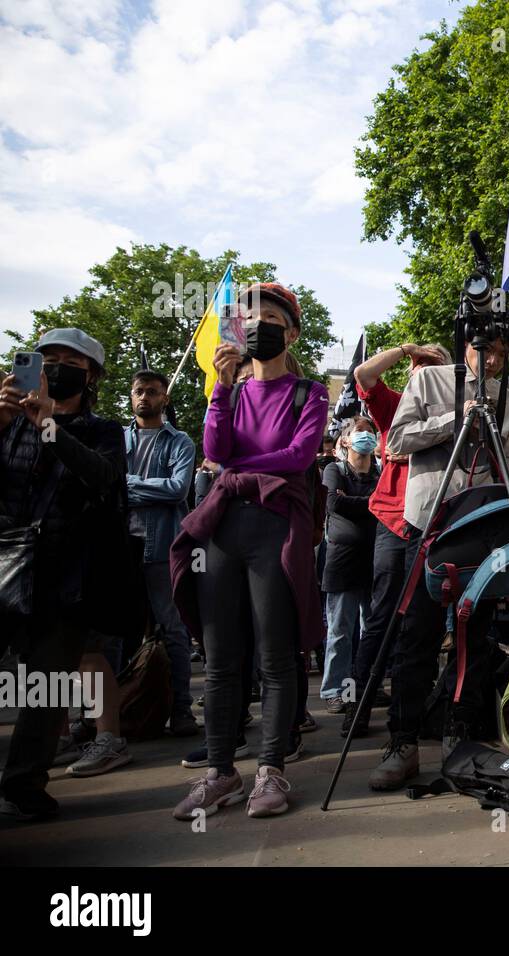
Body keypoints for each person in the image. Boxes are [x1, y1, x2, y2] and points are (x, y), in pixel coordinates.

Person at [170, 282, 329, 821]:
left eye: (270, 320)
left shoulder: (310, 393)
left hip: (277, 528)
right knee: (220, 660)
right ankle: (220, 773)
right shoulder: (231, 392)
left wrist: (241, 469)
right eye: (250, 319)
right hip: (223, 527)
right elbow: (215, 452)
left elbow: (300, 454)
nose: (258, 327)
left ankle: (270, 767)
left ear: (292, 332)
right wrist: (219, 386)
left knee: (277, 658)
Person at [369, 329, 509, 791]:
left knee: (473, 636)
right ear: (466, 346)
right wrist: (452, 423)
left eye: (502, 353)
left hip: (479, 529)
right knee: (414, 634)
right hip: (427, 522)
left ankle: (462, 736)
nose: (493, 361)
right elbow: (396, 440)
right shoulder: (429, 381)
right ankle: (403, 741)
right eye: (486, 349)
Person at [0, 329, 126, 820]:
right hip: (7, 566)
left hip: (65, 576)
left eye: (68, 360)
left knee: (44, 687)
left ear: (89, 374)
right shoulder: (9, 423)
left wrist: (51, 428)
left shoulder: (103, 430)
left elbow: (102, 476)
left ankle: (23, 787)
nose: (54, 366)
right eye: (46, 357)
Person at [345, 341, 448, 737]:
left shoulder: (453, 416)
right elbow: (363, 376)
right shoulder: (394, 407)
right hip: (393, 523)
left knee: (424, 623)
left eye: (434, 367)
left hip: (435, 528)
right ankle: (359, 704)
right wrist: (408, 349)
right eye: (419, 366)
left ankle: (413, 714)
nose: (423, 371)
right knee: (380, 619)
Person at [122, 370, 198, 741]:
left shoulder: (180, 442)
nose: (145, 398)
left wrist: (126, 484)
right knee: (115, 635)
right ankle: (107, 715)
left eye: (152, 392)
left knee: (173, 630)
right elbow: (103, 487)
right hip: (121, 549)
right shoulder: (116, 439)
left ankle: (181, 709)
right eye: (139, 391)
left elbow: (176, 489)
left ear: (164, 398)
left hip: (162, 548)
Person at [319, 416, 379, 713]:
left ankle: (366, 686)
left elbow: (387, 503)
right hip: (342, 561)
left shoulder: (380, 473)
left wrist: (355, 501)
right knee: (340, 630)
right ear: (345, 440)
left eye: (370, 431)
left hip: (374, 561)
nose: (366, 437)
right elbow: (333, 504)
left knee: (371, 628)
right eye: (359, 432)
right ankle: (335, 689)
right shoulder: (334, 469)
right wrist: (371, 502)